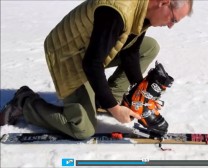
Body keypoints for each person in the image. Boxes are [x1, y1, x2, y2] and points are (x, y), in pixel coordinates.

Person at [0, 0, 193, 139]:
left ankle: (106, 99)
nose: (170, 26)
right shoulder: (117, 11)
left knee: (149, 47)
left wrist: (139, 89)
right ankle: (24, 103)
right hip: (68, 54)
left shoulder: (144, 11)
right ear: (164, 3)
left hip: (90, 50)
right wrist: (115, 109)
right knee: (82, 129)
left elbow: (131, 52)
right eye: (173, 20)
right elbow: (92, 63)